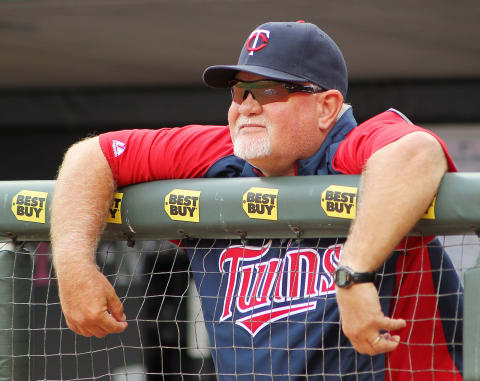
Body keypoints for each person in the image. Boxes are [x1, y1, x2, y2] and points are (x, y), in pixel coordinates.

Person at [51, 21, 463, 380]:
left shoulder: (354, 148)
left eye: (267, 91)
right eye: (238, 92)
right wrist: (73, 265)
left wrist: (352, 275)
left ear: (326, 107)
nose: (246, 107)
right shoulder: (218, 158)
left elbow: (416, 152)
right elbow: (93, 155)